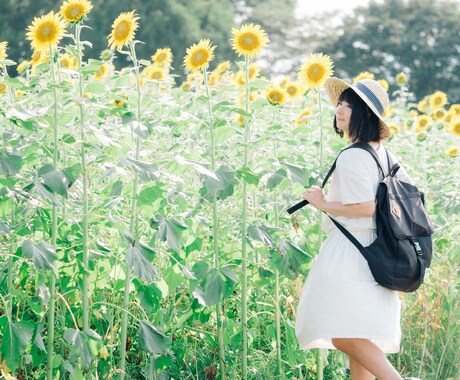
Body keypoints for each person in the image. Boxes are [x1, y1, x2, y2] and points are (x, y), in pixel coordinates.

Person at [295, 77, 420, 380]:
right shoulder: (386, 155)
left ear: (365, 115)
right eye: (340, 103)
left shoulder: (352, 155)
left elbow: (366, 207)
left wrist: (322, 203)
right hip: (381, 254)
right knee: (359, 336)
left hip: (352, 254)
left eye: (350, 106)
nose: (340, 110)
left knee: (341, 332)